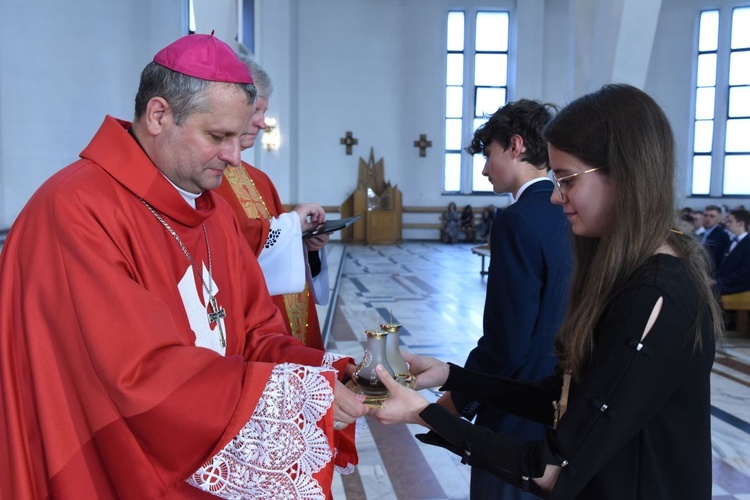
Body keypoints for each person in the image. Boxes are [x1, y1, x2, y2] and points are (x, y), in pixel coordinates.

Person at [0, 34, 367, 499]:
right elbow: (137, 375)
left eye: (239, 137)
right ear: (158, 116)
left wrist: (334, 372)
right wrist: (298, 399)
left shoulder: (210, 211)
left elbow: (256, 335)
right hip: (110, 458)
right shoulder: (78, 208)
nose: (236, 157)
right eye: (219, 137)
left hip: (200, 437)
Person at [369, 84, 722, 499]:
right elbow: (561, 396)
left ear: (625, 174)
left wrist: (428, 414)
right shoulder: (630, 273)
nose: (556, 196)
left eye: (568, 179)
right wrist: (452, 375)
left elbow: (553, 469)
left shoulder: (656, 294)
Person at [441, 99, 572, 500]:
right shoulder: (571, 210)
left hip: (517, 401)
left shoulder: (516, 220)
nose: (483, 169)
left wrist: (456, 399)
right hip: (561, 395)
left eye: (488, 154)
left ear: (515, 146)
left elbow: (507, 339)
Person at [215, 58, 329, 350]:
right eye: (256, 110)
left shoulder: (260, 179)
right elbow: (230, 245)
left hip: (286, 318)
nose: (262, 122)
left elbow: (275, 245)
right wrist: (291, 224)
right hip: (252, 326)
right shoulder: (204, 179)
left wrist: (306, 242)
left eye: (264, 111)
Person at [715, 209, 750, 295]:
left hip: (738, 288)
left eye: (730, 221)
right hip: (726, 283)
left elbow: (744, 273)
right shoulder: (733, 241)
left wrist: (717, 282)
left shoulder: (748, 243)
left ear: (740, 224)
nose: (726, 224)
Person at [703, 204, 731, 269]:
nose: (707, 218)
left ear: (719, 219)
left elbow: (715, 258)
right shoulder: (704, 233)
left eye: (712, 216)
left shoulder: (722, 235)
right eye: (705, 215)